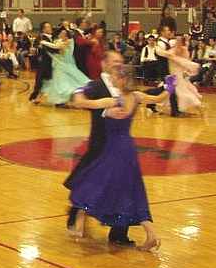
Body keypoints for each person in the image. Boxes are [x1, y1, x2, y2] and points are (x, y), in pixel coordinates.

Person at [68, 65, 168, 251]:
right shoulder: (137, 97)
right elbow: (159, 98)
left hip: (113, 151)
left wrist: (80, 90)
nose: (111, 78)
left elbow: (82, 103)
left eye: (114, 76)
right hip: (128, 148)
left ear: (122, 79)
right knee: (132, 191)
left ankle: (79, 222)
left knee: (90, 182)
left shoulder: (112, 101)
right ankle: (152, 234)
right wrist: (169, 86)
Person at [65, 51, 135, 246]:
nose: (118, 65)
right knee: (87, 184)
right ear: (104, 64)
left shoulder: (125, 86)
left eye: (120, 62)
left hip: (120, 149)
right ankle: (75, 213)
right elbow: (76, 100)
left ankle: (119, 232)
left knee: (124, 188)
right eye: (114, 62)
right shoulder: (96, 85)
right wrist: (99, 104)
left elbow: (145, 97)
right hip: (100, 146)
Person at [38, 28, 90, 105]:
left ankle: (64, 100)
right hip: (58, 65)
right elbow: (55, 49)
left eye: (63, 33)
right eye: (61, 33)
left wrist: (43, 42)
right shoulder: (59, 41)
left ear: (66, 35)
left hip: (65, 66)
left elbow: (56, 47)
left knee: (65, 83)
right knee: (58, 82)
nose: (61, 34)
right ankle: (61, 101)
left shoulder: (68, 42)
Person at [156, 38, 202, 114]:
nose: (177, 42)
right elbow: (165, 54)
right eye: (177, 41)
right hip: (172, 73)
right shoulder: (173, 50)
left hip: (178, 74)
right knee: (171, 91)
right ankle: (170, 108)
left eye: (179, 41)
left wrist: (186, 71)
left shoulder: (182, 50)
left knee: (181, 91)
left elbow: (185, 61)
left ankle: (197, 107)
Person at [29, 22, 55, 102]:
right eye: (47, 27)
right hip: (44, 61)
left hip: (52, 61)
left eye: (50, 26)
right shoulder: (41, 37)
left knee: (49, 79)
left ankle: (39, 96)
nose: (50, 28)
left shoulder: (53, 37)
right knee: (40, 79)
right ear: (43, 29)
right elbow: (37, 48)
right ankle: (35, 96)